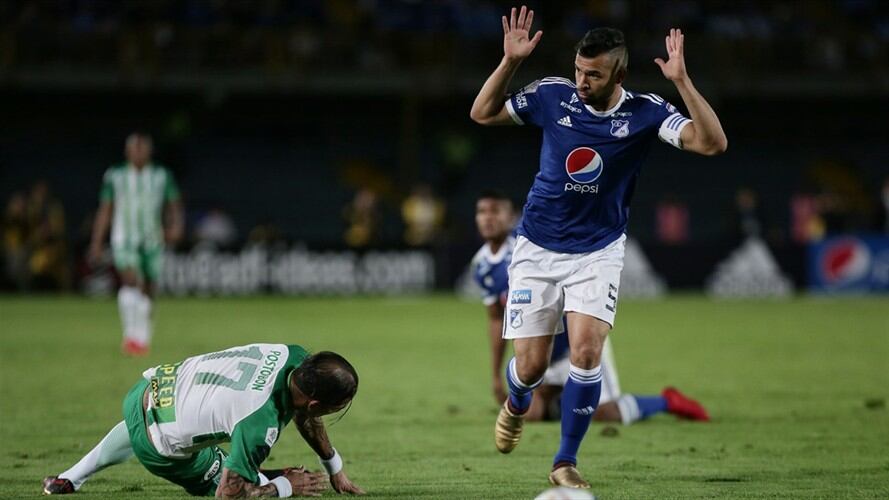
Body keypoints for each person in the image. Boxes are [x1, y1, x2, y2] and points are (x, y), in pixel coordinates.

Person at [470, 6, 727, 488]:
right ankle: (517, 401)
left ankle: (564, 462)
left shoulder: (646, 111)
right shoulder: (552, 95)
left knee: (587, 354)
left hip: (598, 251)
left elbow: (712, 143)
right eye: (579, 71)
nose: (582, 82)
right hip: (537, 247)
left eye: (594, 74)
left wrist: (683, 82)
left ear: (619, 75)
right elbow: (482, 113)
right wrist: (510, 62)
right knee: (531, 366)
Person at [470, 190, 709, 423]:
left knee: (602, 414)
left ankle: (667, 401)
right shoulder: (482, 266)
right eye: (482, 211)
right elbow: (496, 319)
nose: (488, 218)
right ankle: (561, 401)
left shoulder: (533, 246)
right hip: (541, 356)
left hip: (578, 345)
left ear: (512, 216)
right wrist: (496, 376)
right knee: (531, 413)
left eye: (495, 211)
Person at [43, 344, 365, 497]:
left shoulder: (294, 357)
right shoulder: (258, 423)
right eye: (337, 406)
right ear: (315, 403)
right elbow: (228, 495)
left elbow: (305, 414)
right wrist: (285, 487)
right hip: (160, 448)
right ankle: (268, 475)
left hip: (146, 392)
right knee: (240, 484)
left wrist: (334, 466)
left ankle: (69, 478)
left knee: (155, 419)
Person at [88, 132, 184, 356]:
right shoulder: (115, 175)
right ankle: (131, 335)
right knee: (131, 281)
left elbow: (174, 203)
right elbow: (105, 209)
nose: (138, 152)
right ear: (127, 151)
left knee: (148, 288)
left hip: (153, 239)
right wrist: (96, 241)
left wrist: (176, 227)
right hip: (124, 239)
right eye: (134, 148)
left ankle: (143, 336)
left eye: (142, 148)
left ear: (149, 151)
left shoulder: (161, 175)